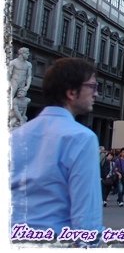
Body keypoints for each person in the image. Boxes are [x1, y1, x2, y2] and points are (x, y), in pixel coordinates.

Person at [10, 57, 102, 244]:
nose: (96, 94)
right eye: (92, 86)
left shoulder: (16, 136)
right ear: (71, 92)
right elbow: (86, 219)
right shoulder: (81, 138)